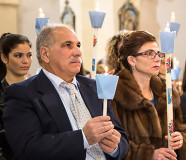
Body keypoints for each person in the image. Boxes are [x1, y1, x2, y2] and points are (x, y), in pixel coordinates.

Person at [2, 24, 129, 160]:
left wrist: (115, 148)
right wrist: (83, 138)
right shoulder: (22, 93)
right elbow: (27, 147)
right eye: (68, 45)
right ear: (45, 54)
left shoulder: (94, 86)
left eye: (78, 45)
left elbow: (121, 137)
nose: (78, 52)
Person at [111, 31, 186, 160]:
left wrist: (181, 140)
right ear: (132, 60)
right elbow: (112, 144)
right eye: (149, 53)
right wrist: (149, 155)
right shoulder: (115, 94)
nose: (157, 58)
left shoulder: (167, 92)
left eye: (158, 53)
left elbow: (183, 132)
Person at [0, 33, 32, 160]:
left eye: (29, 55)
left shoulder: (41, 88)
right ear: (4, 58)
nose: (25, 61)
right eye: (18, 55)